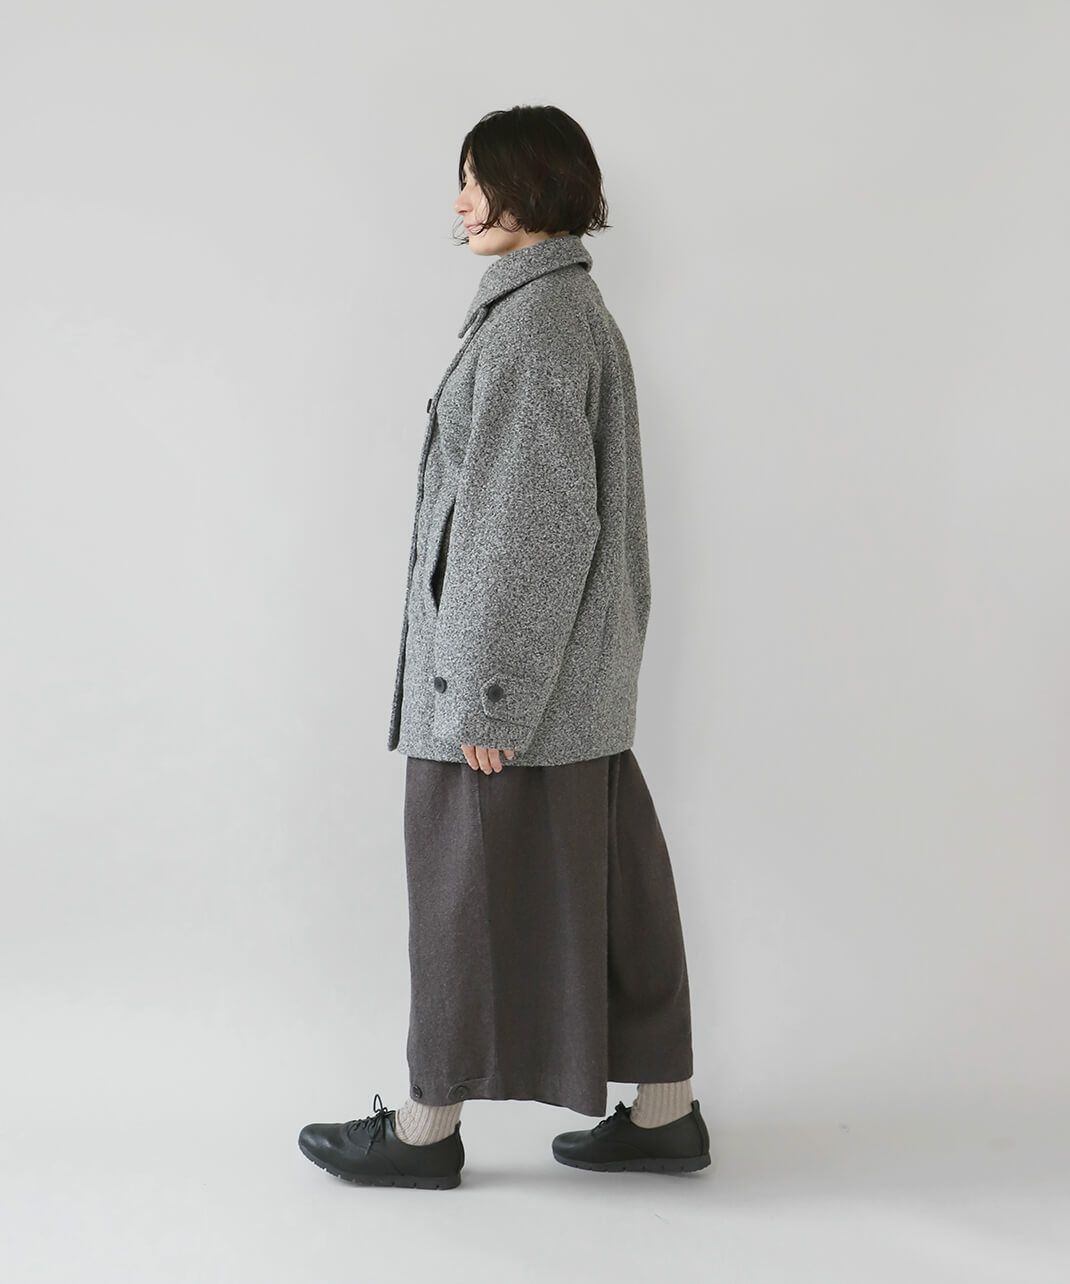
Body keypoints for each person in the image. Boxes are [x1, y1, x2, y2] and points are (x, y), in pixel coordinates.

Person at [298, 105, 710, 1189]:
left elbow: (526, 524)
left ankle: (424, 1134)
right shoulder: (561, 311)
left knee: (459, 896)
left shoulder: (535, 326)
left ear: (532, 185)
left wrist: (489, 694)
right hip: (568, 687)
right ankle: (663, 1114)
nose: (460, 201)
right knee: (609, 890)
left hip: (506, 690)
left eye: (475, 179)